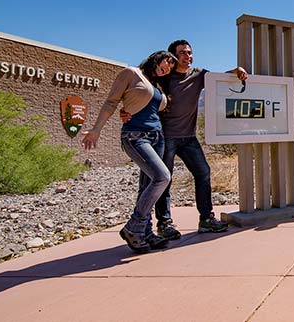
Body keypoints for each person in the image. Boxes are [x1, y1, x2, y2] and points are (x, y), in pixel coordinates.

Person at [122, 39, 248, 238]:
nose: (187, 56)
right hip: (165, 137)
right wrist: (127, 111)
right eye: (182, 53)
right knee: (165, 180)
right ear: (172, 56)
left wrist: (237, 70)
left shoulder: (198, 75)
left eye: (189, 52)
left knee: (203, 173)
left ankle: (206, 219)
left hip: (189, 137)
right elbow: (141, 92)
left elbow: (219, 78)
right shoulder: (164, 77)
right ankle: (164, 224)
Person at [81, 50, 177, 254]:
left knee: (147, 185)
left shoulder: (157, 85)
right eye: (167, 62)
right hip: (136, 136)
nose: (167, 68)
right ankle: (134, 227)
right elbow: (111, 102)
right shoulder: (131, 73)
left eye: (171, 67)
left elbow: (144, 107)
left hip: (157, 137)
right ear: (156, 58)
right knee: (162, 177)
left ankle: (145, 233)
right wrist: (97, 129)